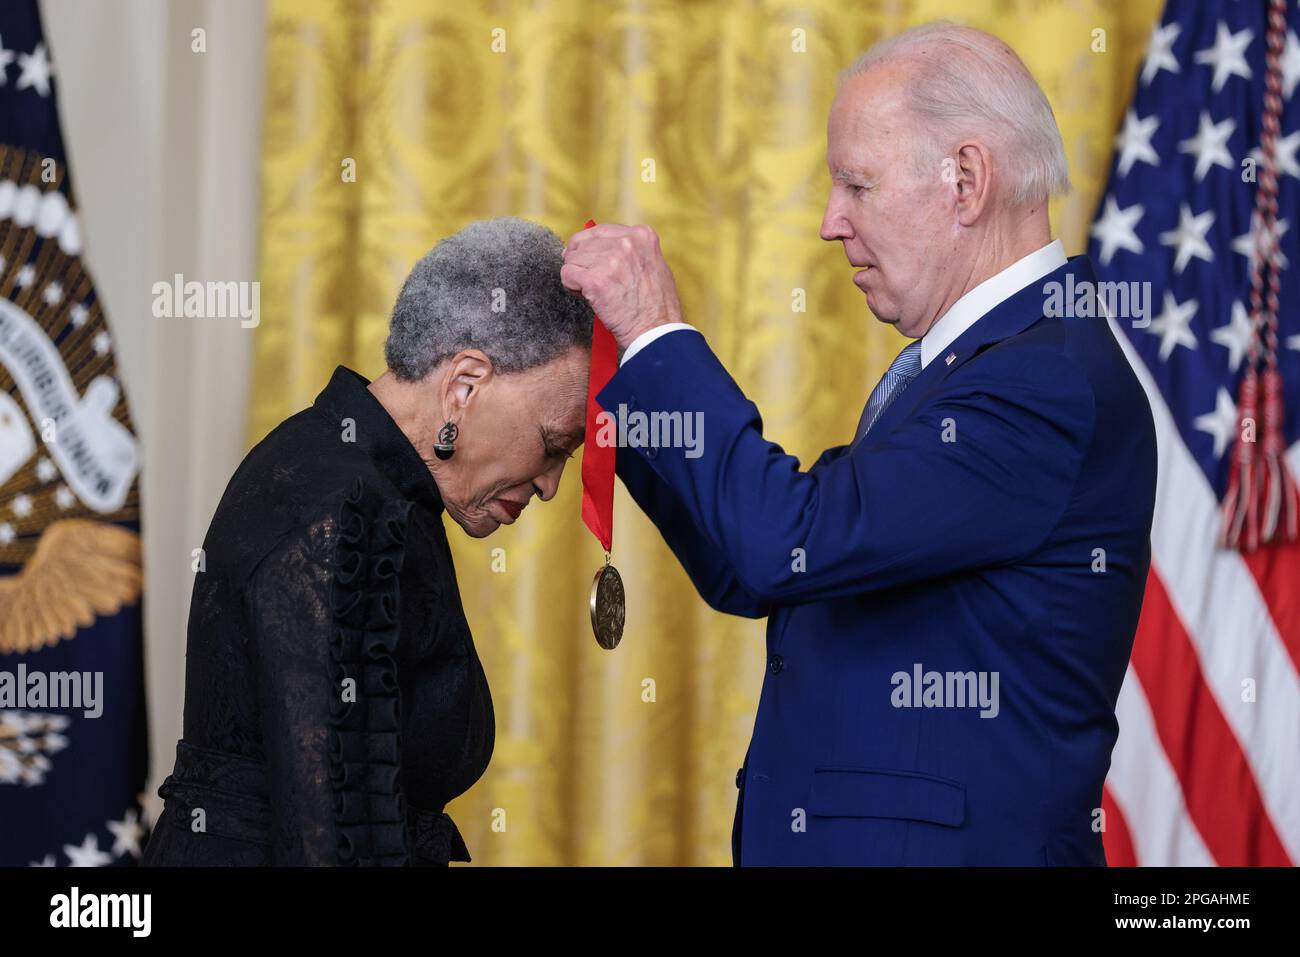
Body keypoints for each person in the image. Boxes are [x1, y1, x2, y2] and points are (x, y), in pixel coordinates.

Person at [561, 22, 1157, 865]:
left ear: (967, 180)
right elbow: (756, 567)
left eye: (856, 184)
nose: (829, 222)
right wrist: (634, 403)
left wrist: (659, 334)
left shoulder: (1042, 379)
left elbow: (785, 541)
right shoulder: (972, 365)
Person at [143, 217, 592, 865]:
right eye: (554, 445)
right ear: (464, 384)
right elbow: (332, 839)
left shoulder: (371, 481)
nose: (552, 484)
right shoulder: (342, 503)